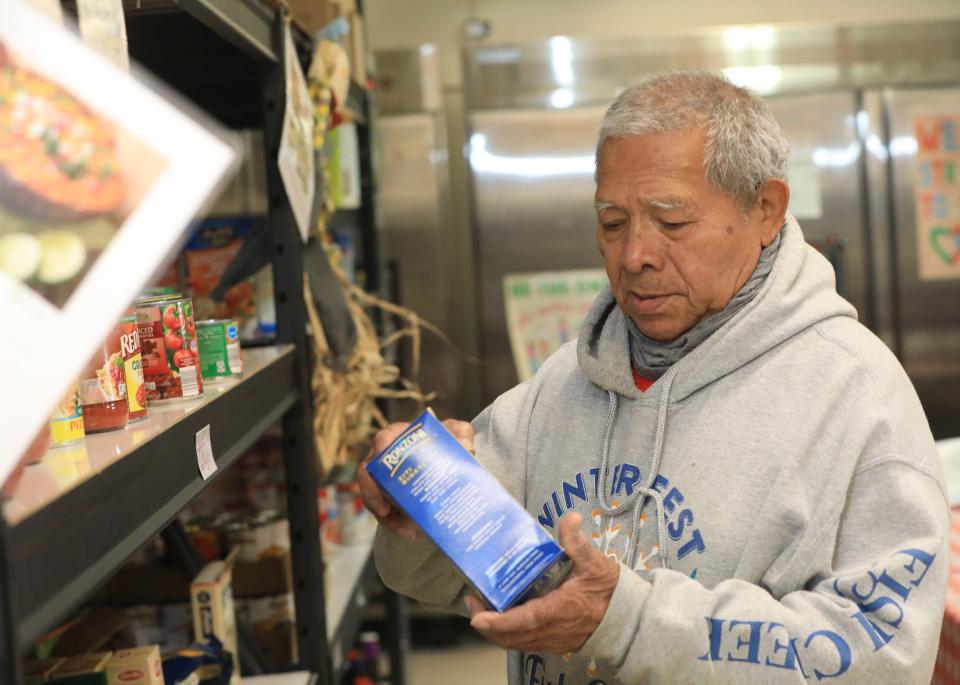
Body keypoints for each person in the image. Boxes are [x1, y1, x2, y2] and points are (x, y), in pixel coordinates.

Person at [356, 70, 949, 684]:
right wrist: (419, 510)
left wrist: (627, 623)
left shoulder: (857, 395)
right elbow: (436, 576)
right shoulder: (561, 387)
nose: (634, 254)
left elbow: (884, 661)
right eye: (613, 224)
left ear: (766, 210)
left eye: (671, 222)